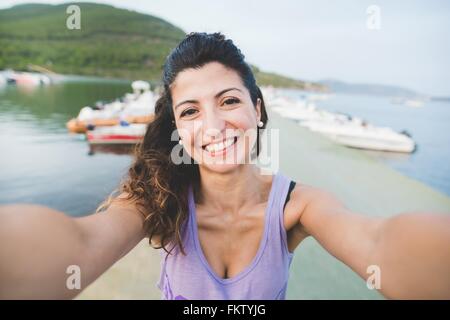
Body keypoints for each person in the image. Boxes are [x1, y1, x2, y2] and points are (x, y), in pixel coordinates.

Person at [1, 32, 449, 300]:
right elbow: (80, 242)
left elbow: (377, 243)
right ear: (176, 124)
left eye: (229, 101)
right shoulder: (158, 200)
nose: (213, 125)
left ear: (256, 108)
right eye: (191, 111)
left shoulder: (299, 206)